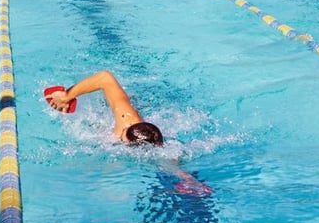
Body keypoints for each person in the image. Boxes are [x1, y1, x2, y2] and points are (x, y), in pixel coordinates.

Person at [46, 70, 212, 195]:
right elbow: (104, 77)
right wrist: (67, 96)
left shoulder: (157, 152)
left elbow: (173, 167)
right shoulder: (128, 119)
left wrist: (191, 181)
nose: (120, 131)